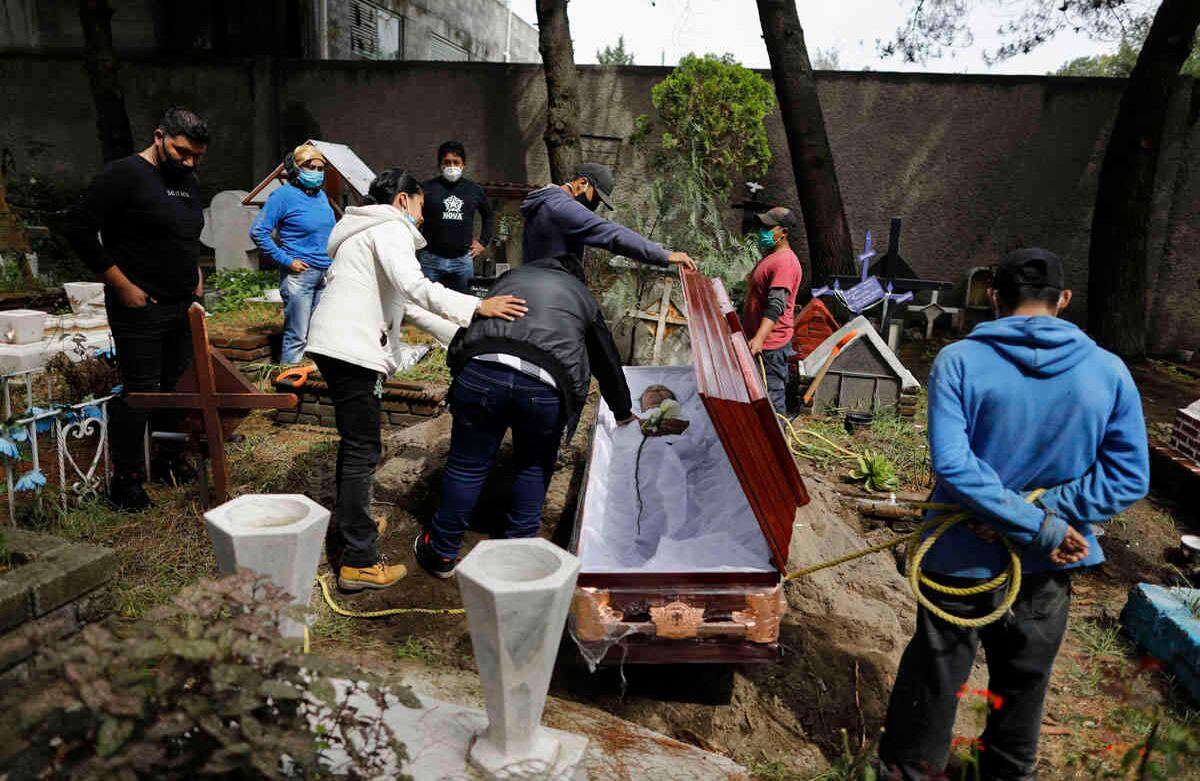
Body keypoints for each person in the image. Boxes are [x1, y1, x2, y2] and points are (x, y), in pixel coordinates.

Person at [878, 248, 1150, 780]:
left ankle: (911, 773)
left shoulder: (959, 361)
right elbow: (1128, 477)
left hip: (958, 559)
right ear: (1064, 300)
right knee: (1024, 683)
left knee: (936, 677)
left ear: (994, 298)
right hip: (1048, 560)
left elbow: (955, 466)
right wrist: (1045, 520)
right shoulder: (1109, 372)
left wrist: (1018, 516)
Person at [304, 168, 527, 592]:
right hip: (353, 351)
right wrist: (477, 307)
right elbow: (416, 285)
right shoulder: (389, 229)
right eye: (422, 207)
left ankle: (359, 524)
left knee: (357, 447)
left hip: (336, 347)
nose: (424, 217)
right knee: (362, 452)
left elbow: (407, 304)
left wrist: (463, 334)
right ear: (404, 200)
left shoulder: (362, 232)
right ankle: (359, 561)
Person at [412, 253, 636, 578]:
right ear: (576, 277)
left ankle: (441, 552)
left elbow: (467, 329)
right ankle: (518, 559)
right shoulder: (581, 296)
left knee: (467, 466)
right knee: (533, 466)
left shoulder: (511, 279)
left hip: (482, 370)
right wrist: (623, 411)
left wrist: (460, 376)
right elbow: (606, 359)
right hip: (545, 385)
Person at [61, 106, 209, 511]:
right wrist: (122, 284)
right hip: (140, 306)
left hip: (182, 303)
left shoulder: (187, 179)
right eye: (181, 152)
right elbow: (76, 227)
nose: (189, 161)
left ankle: (168, 459)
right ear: (158, 136)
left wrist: (194, 274)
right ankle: (125, 481)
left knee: (174, 387)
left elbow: (185, 233)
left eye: (196, 156)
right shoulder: (123, 175)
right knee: (140, 392)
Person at [521, 162, 696, 272]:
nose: (595, 205)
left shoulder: (548, 201)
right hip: (552, 287)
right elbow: (610, 233)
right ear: (582, 183)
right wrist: (664, 255)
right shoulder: (562, 207)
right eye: (595, 197)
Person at [250, 143, 337, 365]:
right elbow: (258, 232)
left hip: (323, 274)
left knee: (319, 335)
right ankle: (286, 386)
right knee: (297, 336)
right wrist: (287, 261)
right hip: (299, 276)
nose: (316, 173)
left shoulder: (321, 196)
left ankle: (311, 387)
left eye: (320, 168)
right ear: (297, 168)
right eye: (311, 167)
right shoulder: (282, 196)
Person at [741, 206, 803, 413]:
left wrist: (759, 339)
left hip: (770, 347)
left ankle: (779, 444)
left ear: (783, 233)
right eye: (762, 227)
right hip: (761, 343)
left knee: (772, 406)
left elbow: (776, 305)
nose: (762, 232)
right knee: (757, 402)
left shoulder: (785, 263)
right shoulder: (771, 257)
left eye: (769, 228)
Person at [417, 140, 494, 294]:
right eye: (447, 162)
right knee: (424, 305)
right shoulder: (426, 188)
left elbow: (488, 217)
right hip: (431, 259)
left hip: (462, 261)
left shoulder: (474, 190)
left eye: (456, 162)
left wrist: (483, 242)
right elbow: (413, 216)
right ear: (440, 165)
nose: (452, 166)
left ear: (463, 165)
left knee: (463, 304)